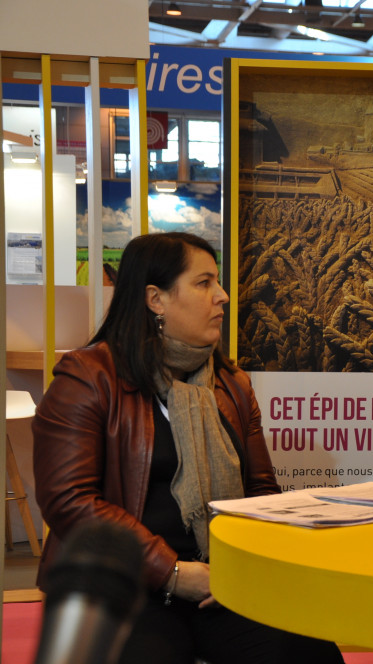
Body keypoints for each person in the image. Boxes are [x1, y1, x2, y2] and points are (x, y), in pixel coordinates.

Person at [32, 232, 344, 664]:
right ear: (155, 299)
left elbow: (261, 494)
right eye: (204, 283)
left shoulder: (232, 384)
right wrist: (174, 573)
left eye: (218, 282)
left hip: (219, 583)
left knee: (307, 652)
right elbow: (69, 499)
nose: (223, 296)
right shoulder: (89, 378)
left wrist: (241, 571)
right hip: (125, 587)